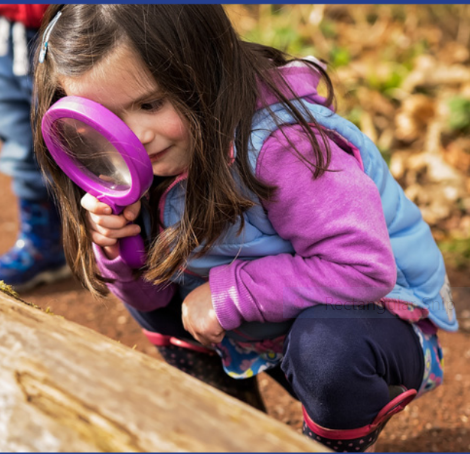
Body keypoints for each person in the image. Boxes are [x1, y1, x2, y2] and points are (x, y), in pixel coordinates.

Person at [32, 5, 457, 451]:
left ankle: (332, 439)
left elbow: (363, 269)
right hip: (266, 325)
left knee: (327, 351)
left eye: (150, 103)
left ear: (206, 67)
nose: (135, 136)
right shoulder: (150, 162)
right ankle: (235, 433)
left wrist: (229, 293)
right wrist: (120, 249)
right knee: (155, 293)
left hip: (376, 322)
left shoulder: (284, 146)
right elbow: (151, 299)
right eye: (105, 119)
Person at [0, 4, 70, 291]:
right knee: (20, 140)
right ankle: (45, 244)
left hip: (70, 21)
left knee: (87, 135)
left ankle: (132, 251)